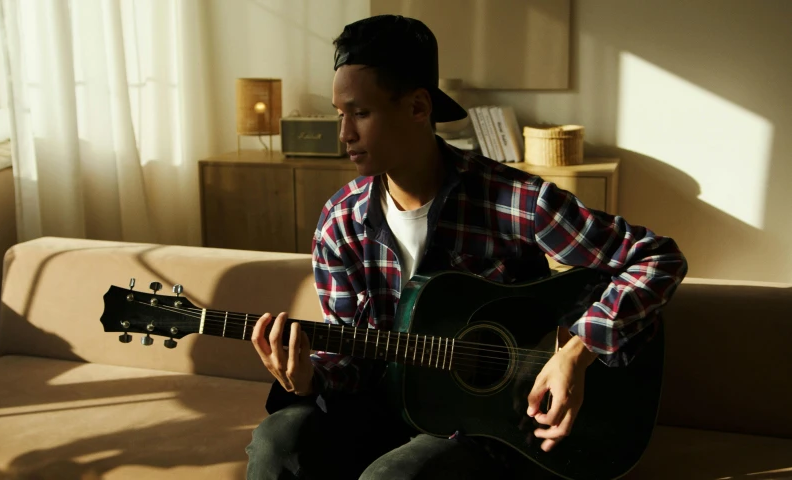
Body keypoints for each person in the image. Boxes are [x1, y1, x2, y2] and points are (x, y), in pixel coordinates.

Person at [246, 14, 688, 480]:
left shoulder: (514, 201)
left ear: (418, 107)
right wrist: (308, 377)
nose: (344, 134)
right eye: (340, 115)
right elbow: (350, 362)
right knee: (278, 440)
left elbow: (657, 257)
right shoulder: (341, 221)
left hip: (484, 426)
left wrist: (575, 355)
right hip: (383, 411)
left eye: (360, 113)